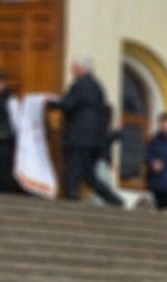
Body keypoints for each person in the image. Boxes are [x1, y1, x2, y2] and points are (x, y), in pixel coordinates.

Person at [48, 57, 122, 205]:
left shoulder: (81, 85)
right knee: (88, 174)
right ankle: (114, 200)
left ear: (82, 69)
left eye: (74, 67)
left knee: (72, 168)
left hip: (79, 137)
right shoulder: (96, 86)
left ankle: (71, 199)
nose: (72, 70)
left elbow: (69, 104)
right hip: (94, 140)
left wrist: (50, 101)